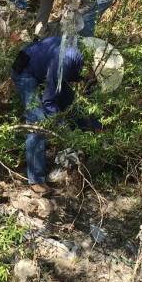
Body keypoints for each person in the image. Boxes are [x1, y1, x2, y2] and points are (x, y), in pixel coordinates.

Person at [11, 35, 99, 185]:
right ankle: (36, 181)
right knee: (37, 122)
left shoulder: (83, 58)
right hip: (25, 71)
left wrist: (97, 126)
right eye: (95, 77)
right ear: (93, 66)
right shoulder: (66, 61)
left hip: (45, 68)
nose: (93, 81)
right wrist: (65, 131)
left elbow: (82, 100)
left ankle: (85, 149)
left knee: (73, 106)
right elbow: (49, 101)